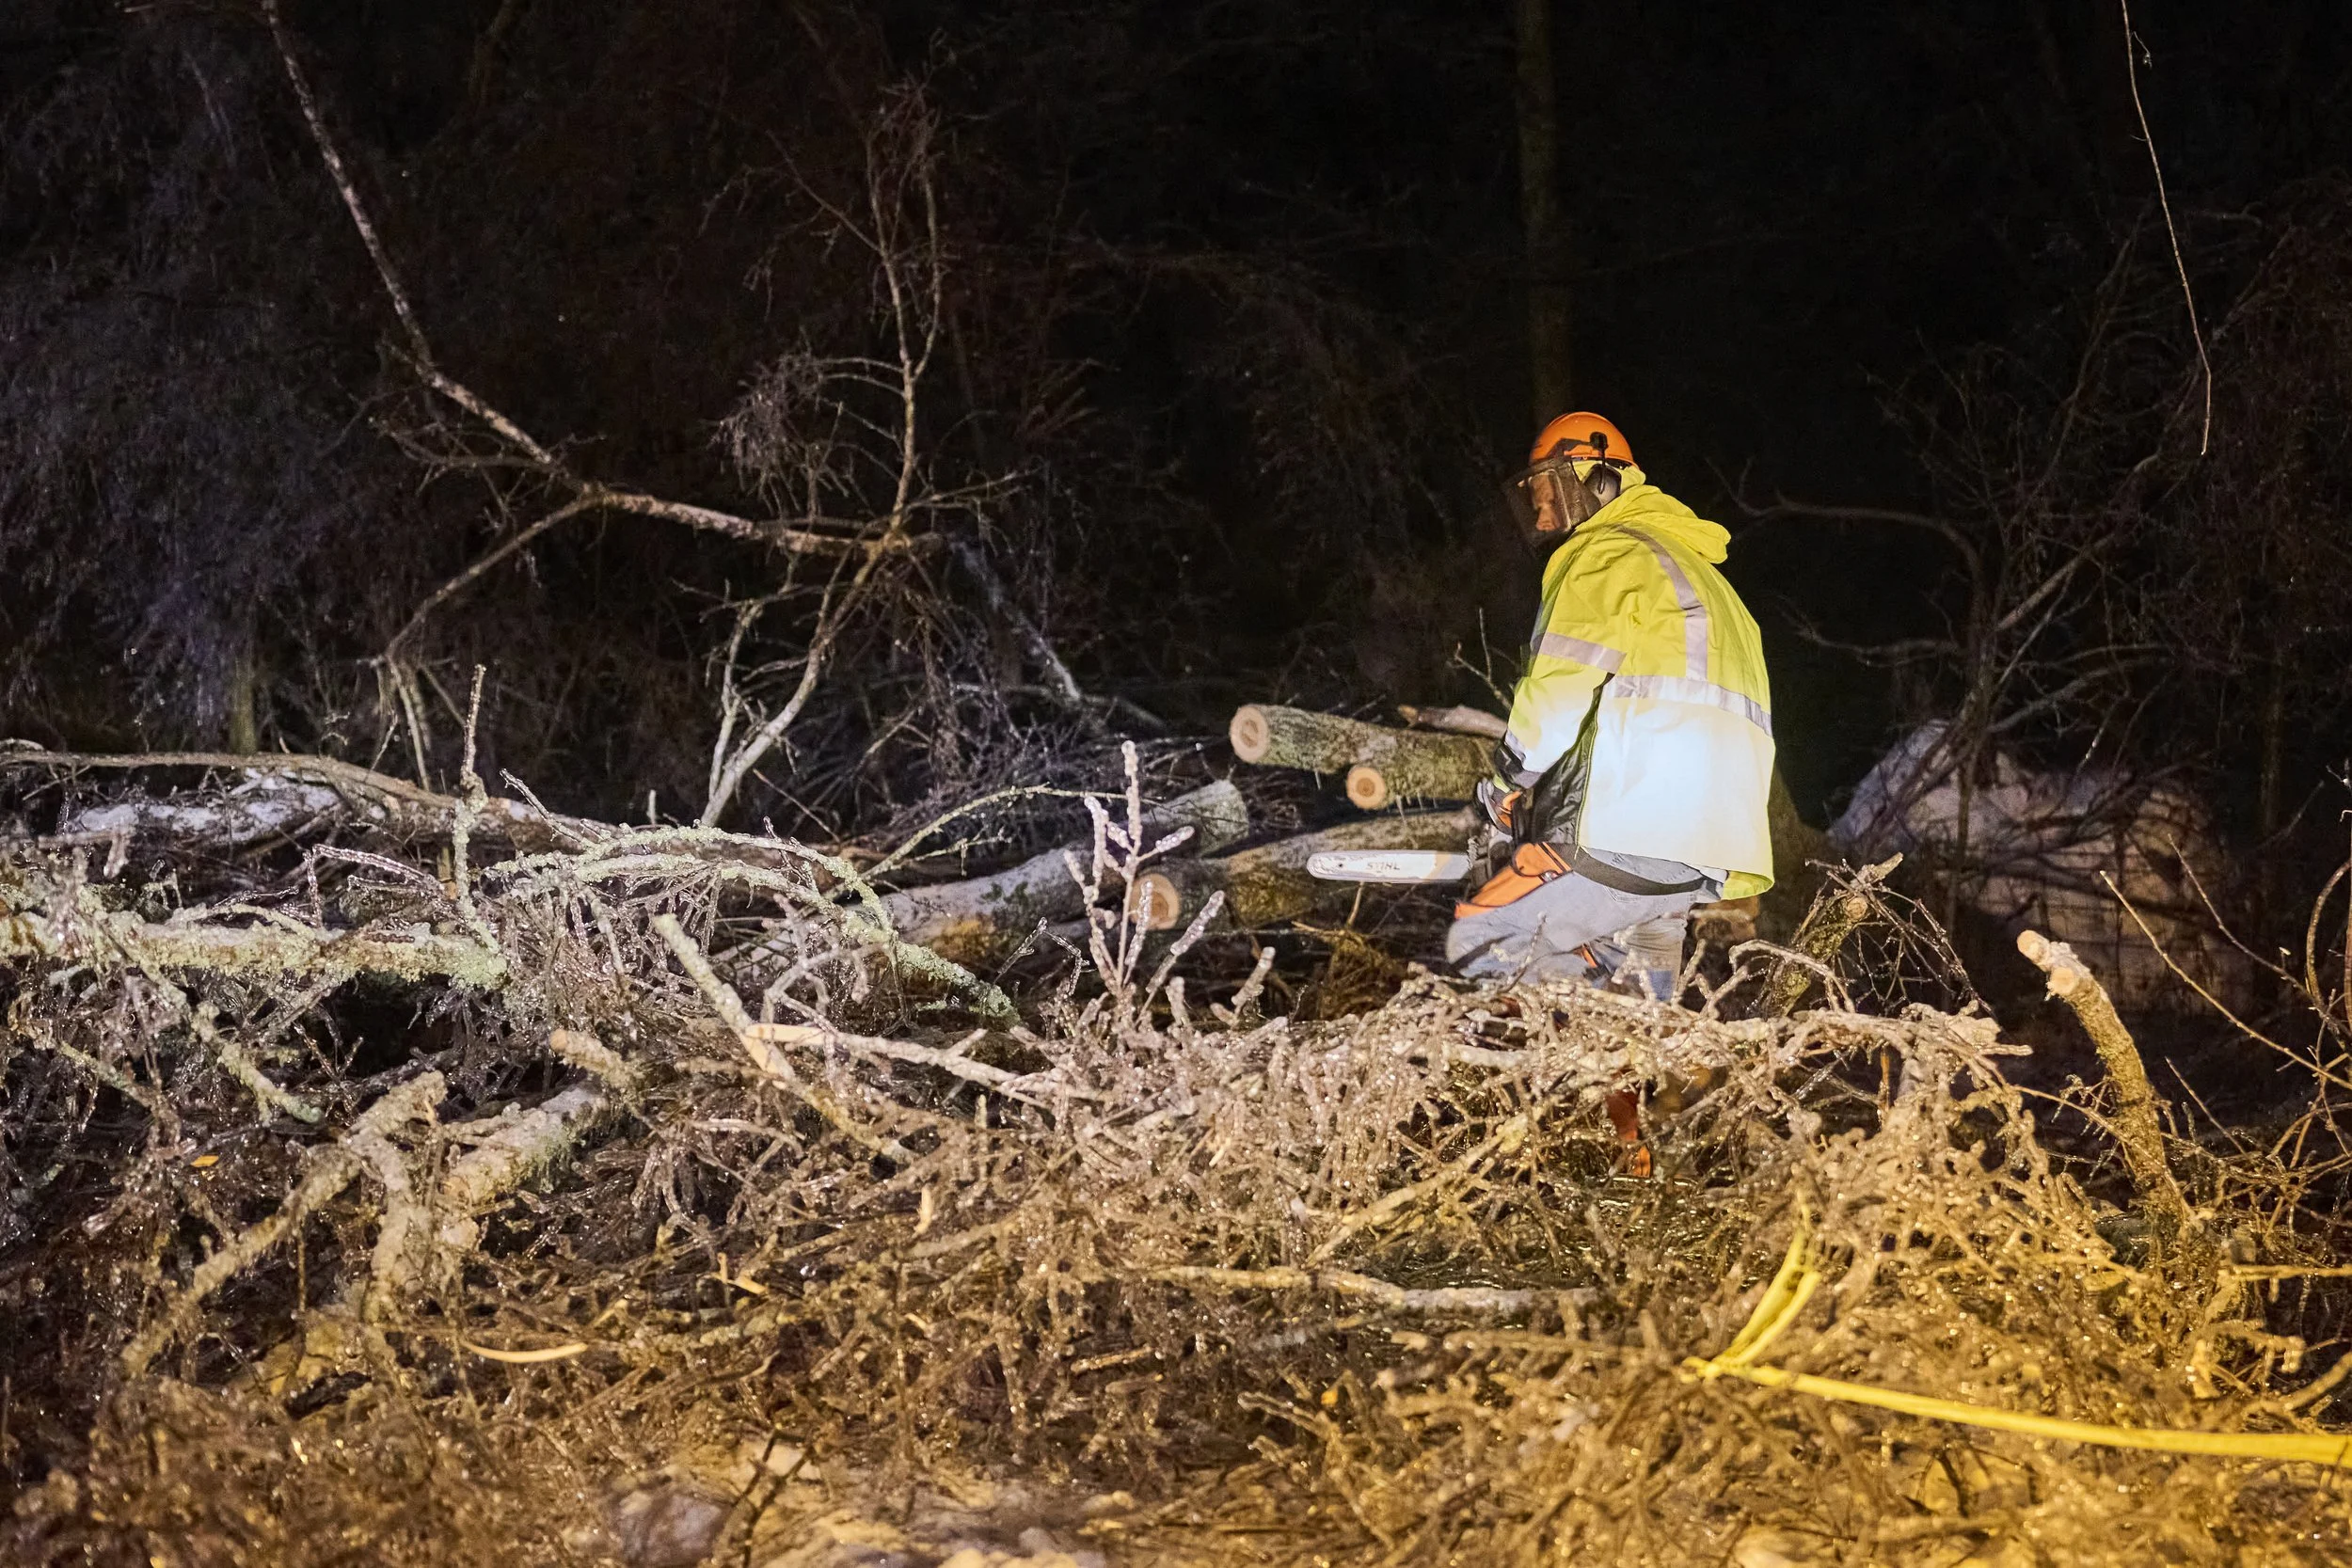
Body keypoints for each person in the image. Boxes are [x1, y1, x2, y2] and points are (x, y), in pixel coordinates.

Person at [1448, 412, 1775, 1165]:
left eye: (1541, 490)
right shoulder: (1713, 585)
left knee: (1480, 937)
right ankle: (1637, 1161)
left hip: (1633, 820)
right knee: (1625, 1015)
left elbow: (1557, 695)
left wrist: (1507, 782)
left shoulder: (1603, 555)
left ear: (1593, 477)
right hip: (1704, 851)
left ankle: (1681, 1060)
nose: (1536, 511)